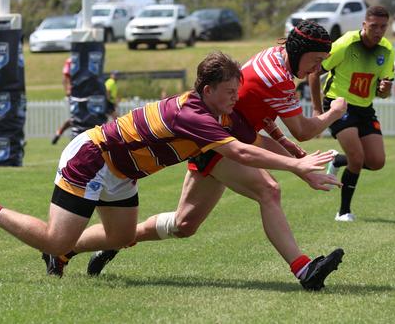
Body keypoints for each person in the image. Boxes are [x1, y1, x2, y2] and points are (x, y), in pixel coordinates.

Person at [0, 51, 337, 289]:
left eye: (238, 91)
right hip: (92, 159)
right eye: (231, 92)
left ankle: (63, 255)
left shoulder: (210, 111)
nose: (236, 99)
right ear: (208, 89)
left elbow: (248, 143)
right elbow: (243, 153)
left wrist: (292, 155)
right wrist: (296, 163)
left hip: (121, 172)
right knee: (55, 239)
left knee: (122, 237)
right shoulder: (195, 115)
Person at [80, 20, 348, 291]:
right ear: (299, 50)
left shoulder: (275, 59)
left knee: (184, 224)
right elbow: (303, 130)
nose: (317, 69)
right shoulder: (278, 77)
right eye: (315, 61)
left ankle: (100, 244)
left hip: (227, 135)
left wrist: (282, 141)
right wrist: (334, 112)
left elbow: (256, 108)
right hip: (218, 139)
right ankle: (304, 269)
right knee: (269, 190)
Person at [308, 6, 395, 222]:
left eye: (383, 27)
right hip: (339, 105)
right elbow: (313, 72)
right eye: (373, 26)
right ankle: (343, 212)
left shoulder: (387, 50)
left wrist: (385, 91)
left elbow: (383, 93)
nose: (378, 31)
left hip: (365, 109)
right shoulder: (346, 43)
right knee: (357, 159)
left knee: (376, 162)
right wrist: (318, 109)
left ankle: (338, 161)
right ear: (364, 24)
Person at [51, 57, 73, 145]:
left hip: (87, 95)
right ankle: (59, 132)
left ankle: (59, 133)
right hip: (74, 95)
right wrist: (67, 90)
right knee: (74, 119)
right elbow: (65, 78)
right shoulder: (71, 61)